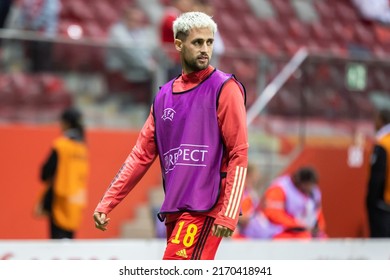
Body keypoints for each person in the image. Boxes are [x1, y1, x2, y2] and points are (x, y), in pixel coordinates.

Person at [94, 11, 248, 260]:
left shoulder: (225, 88)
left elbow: (238, 152)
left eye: (209, 42)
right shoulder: (163, 96)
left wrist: (229, 212)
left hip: (206, 206)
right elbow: (141, 155)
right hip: (175, 209)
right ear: (178, 44)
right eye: (198, 42)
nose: (204, 49)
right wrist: (107, 202)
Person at [35, 107, 89, 239]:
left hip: (60, 201)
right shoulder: (83, 148)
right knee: (69, 244)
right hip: (76, 201)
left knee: (57, 247)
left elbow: (45, 173)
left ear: (66, 123)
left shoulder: (61, 145)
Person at [242, 167, 327, 239]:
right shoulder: (280, 188)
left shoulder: (314, 192)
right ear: (299, 182)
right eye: (306, 185)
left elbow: (318, 214)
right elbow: (273, 214)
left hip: (305, 230)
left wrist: (318, 227)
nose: (309, 188)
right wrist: (298, 226)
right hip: (279, 230)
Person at [105, 5, 157, 103]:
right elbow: (130, 53)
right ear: (125, 18)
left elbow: (150, 50)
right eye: (133, 19)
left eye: (139, 21)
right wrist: (148, 65)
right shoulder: (117, 31)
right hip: (121, 70)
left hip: (138, 69)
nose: (136, 23)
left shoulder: (141, 32)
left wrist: (150, 63)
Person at [366, 108, 390, 237]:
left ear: (381, 121)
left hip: (384, 205)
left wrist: (371, 202)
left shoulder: (383, 143)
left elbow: (377, 177)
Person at [159, 0, 195, 80]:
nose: (190, 4)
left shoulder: (179, 15)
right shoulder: (170, 15)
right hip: (170, 61)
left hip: (178, 60)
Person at [234, 162, 261, 238]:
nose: (255, 180)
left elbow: (255, 210)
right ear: (247, 176)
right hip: (238, 229)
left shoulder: (251, 193)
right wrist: (240, 218)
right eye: (253, 178)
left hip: (250, 228)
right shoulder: (236, 191)